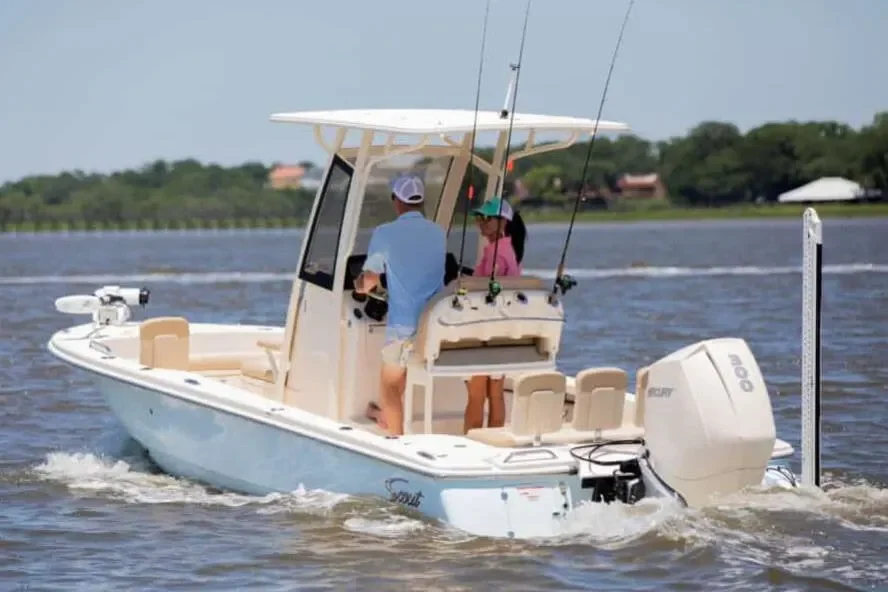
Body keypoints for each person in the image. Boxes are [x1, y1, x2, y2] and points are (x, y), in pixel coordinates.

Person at [355, 174, 446, 435]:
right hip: (433, 325)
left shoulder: (385, 233)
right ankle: (385, 416)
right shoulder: (438, 233)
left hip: (403, 327)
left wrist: (359, 284)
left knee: (390, 385)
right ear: (420, 202)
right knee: (402, 374)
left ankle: (396, 439)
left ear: (397, 201)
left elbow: (369, 281)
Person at [463, 196, 528, 433]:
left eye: (487, 218)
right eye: (479, 218)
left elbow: (484, 288)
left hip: (484, 330)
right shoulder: (510, 250)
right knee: (496, 392)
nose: (481, 222)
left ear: (503, 222)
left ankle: (472, 441)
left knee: (476, 393)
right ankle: (493, 440)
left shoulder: (496, 253)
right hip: (502, 330)